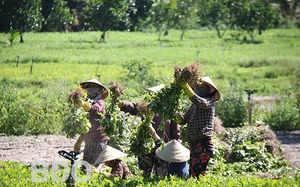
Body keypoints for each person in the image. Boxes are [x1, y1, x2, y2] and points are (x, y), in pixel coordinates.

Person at [118, 85, 181, 178]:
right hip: (146, 146)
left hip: (162, 147)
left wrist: (177, 146)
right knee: (146, 174)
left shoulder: (170, 110)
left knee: (161, 176)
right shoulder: (147, 107)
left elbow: (176, 132)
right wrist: (123, 104)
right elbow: (134, 107)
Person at [176, 76, 221, 178]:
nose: (198, 88)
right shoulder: (193, 106)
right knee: (193, 173)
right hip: (193, 143)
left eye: (202, 86)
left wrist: (186, 87)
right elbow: (183, 120)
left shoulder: (209, 102)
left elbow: (200, 102)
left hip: (203, 143)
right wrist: (174, 113)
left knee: (198, 174)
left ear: (209, 90)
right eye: (197, 86)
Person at [73, 79, 110, 168]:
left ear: (99, 90)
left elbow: (95, 109)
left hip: (98, 140)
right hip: (90, 139)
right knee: (86, 167)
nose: (90, 89)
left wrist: (83, 104)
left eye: (94, 87)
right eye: (88, 86)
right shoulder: (89, 102)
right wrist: (79, 142)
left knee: (92, 168)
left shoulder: (99, 102)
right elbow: (86, 126)